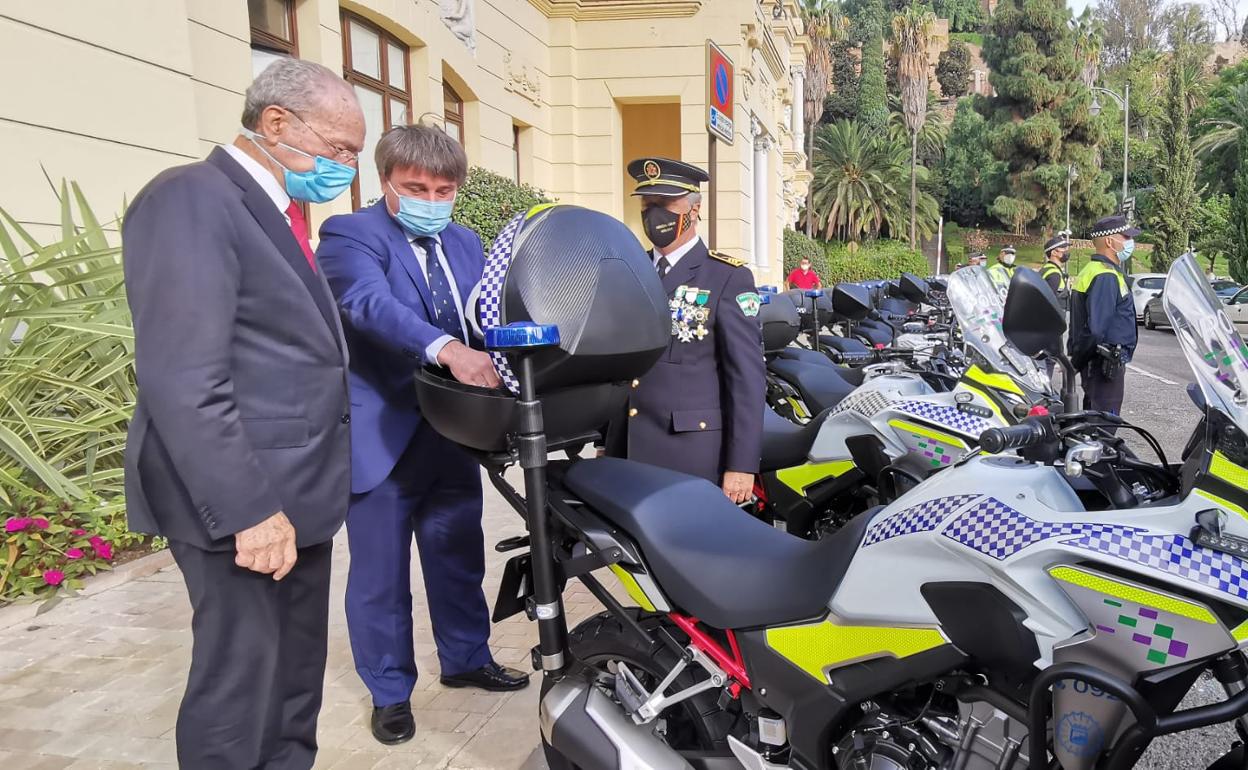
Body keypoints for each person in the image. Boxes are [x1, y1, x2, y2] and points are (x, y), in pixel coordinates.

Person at [121, 59, 363, 769]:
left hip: (300, 496)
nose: (347, 167)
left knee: (292, 684)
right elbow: (184, 375)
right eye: (340, 148)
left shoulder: (277, 213)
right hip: (244, 503)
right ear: (275, 122)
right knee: (241, 688)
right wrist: (249, 509)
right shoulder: (192, 199)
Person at [316, 125, 528, 748]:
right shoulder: (352, 235)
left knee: (457, 559)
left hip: (452, 433)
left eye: (444, 189)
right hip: (383, 435)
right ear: (387, 182)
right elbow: (366, 305)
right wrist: (447, 349)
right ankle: (389, 692)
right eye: (416, 188)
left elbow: (493, 314)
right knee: (380, 579)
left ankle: (466, 659)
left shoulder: (466, 242)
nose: (431, 198)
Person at [612, 157, 766, 502]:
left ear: (694, 210)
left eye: (665, 205)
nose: (654, 215)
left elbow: (746, 378)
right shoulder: (630, 270)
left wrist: (741, 464)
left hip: (691, 454)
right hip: (632, 449)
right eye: (648, 205)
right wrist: (610, 442)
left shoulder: (726, 276)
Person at [1068, 214, 1141, 415]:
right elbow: (1096, 329)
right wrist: (1075, 363)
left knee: (1094, 419)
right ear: (1110, 241)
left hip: (1099, 363)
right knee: (1103, 425)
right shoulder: (1105, 275)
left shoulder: (1096, 270)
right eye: (1125, 237)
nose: (1130, 242)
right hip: (1104, 364)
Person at [1040, 235, 1072, 307]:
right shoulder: (1054, 275)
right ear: (1054, 252)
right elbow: (1047, 304)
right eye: (1063, 248)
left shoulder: (1046, 269)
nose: (1066, 250)